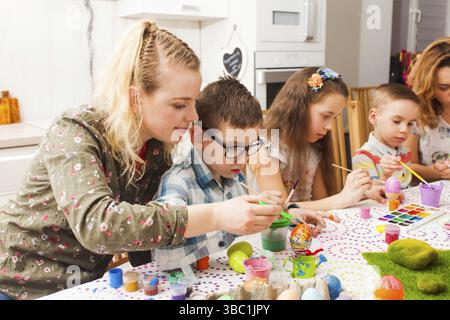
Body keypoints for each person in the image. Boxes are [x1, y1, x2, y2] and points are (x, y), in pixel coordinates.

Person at [0, 20, 281, 300]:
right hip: (16, 286)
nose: (194, 116)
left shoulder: (158, 147)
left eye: (194, 102)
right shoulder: (75, 131)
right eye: (179, 104)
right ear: (135, 98)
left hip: (85, 286)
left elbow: (151, 228)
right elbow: (99, 226)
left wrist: (279, 212)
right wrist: (218, 215)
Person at [247, 67, 383, 212]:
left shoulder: (313, 148)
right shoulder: (264, 146)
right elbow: (278, 210)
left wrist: (358, 194)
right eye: (325, 116)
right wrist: (342, 198)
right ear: (298, 108)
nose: (330, 127)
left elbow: (322, 202)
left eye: (334, 118)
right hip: (272, 233)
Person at [352, 83, 420, 191]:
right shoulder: (363, 157)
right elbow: (368, 195)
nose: (404, 130)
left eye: (410, 123)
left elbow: (406, 187)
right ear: (374, 117)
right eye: (396, 121)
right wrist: (386, 175)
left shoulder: (405, 153)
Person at [404, 37, 450, 181]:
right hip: (431, 196)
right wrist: (433, 172)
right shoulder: (416, 114)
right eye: (444, 88)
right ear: (429, 87)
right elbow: (405, 166)